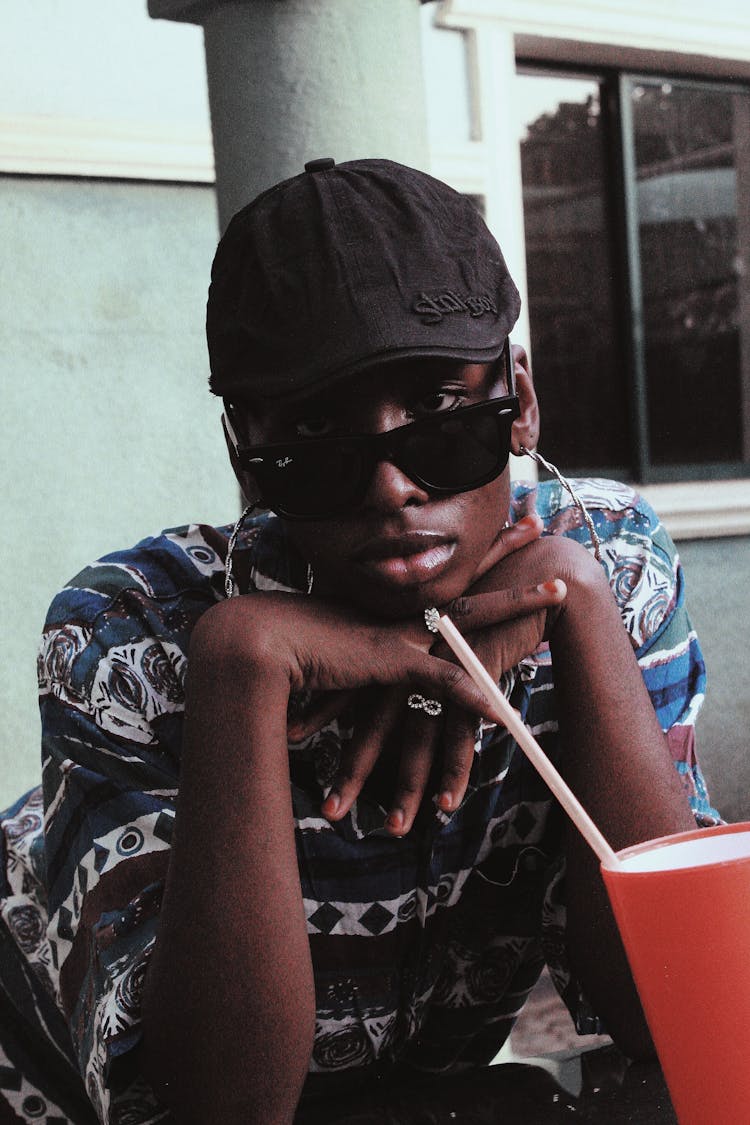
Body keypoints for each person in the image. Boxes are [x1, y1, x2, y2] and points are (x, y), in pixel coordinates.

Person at [0, 158, 719, 1125]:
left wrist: (575, 601)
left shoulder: (611, 559)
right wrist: (241, 670)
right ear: (243, 453)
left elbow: (681, 1015)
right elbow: (218, 1108)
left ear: (520, 402)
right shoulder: (129, 635)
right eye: (314, 432)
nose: (391, 488)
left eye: (436, 411)